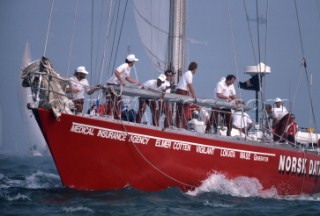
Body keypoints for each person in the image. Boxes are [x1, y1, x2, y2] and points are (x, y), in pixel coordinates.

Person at [106, 54, 141, 119]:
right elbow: (116, 72)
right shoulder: (124, 66)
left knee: (118, 101)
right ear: (132, 61)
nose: (135, 62)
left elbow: (127, 78)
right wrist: (121, 81)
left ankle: (116, 116)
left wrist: (136, 82)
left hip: (117, 86)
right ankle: (110, 116)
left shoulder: (128, 68)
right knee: (113, 101)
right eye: (134, 61)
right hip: (112, 84)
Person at [175, 62, 198, 129]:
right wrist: (194, 96)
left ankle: (177, 125)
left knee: (179, 109)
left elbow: (187, 86)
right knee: (186, 107)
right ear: (194, 69)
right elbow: (190, 85)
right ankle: (184, 126)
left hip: (179, 90)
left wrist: (190, 94)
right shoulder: (189, 74)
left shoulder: (186, 73)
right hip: (182, 91)